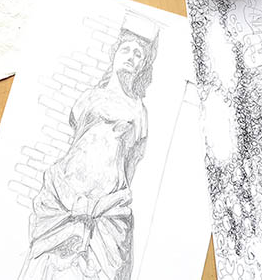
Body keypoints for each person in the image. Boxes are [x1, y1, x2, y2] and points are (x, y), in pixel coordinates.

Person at [19, 29, 158, 280]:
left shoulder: (139, 112)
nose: (131, 57)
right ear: (114, 54)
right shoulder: (89, 97)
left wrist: (108, 200)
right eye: (126, 50)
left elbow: (131, 165)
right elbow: (76, 141)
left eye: (138, 54)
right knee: (46, 265)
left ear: (143, 65)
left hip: (107, 209)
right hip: (63, 195)